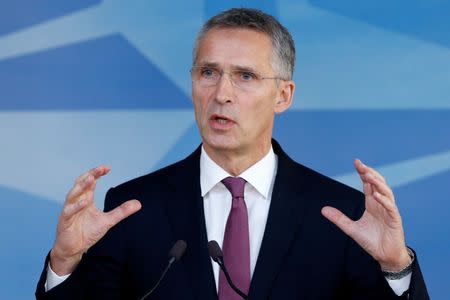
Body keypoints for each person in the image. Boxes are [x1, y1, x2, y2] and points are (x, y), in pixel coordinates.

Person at [35, 8, 429, 300]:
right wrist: (65, 265)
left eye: (245, 76)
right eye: (208, 72)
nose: (221, 93)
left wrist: (395, 269)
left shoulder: (341, 214)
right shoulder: (132, 208)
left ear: (283, 95)